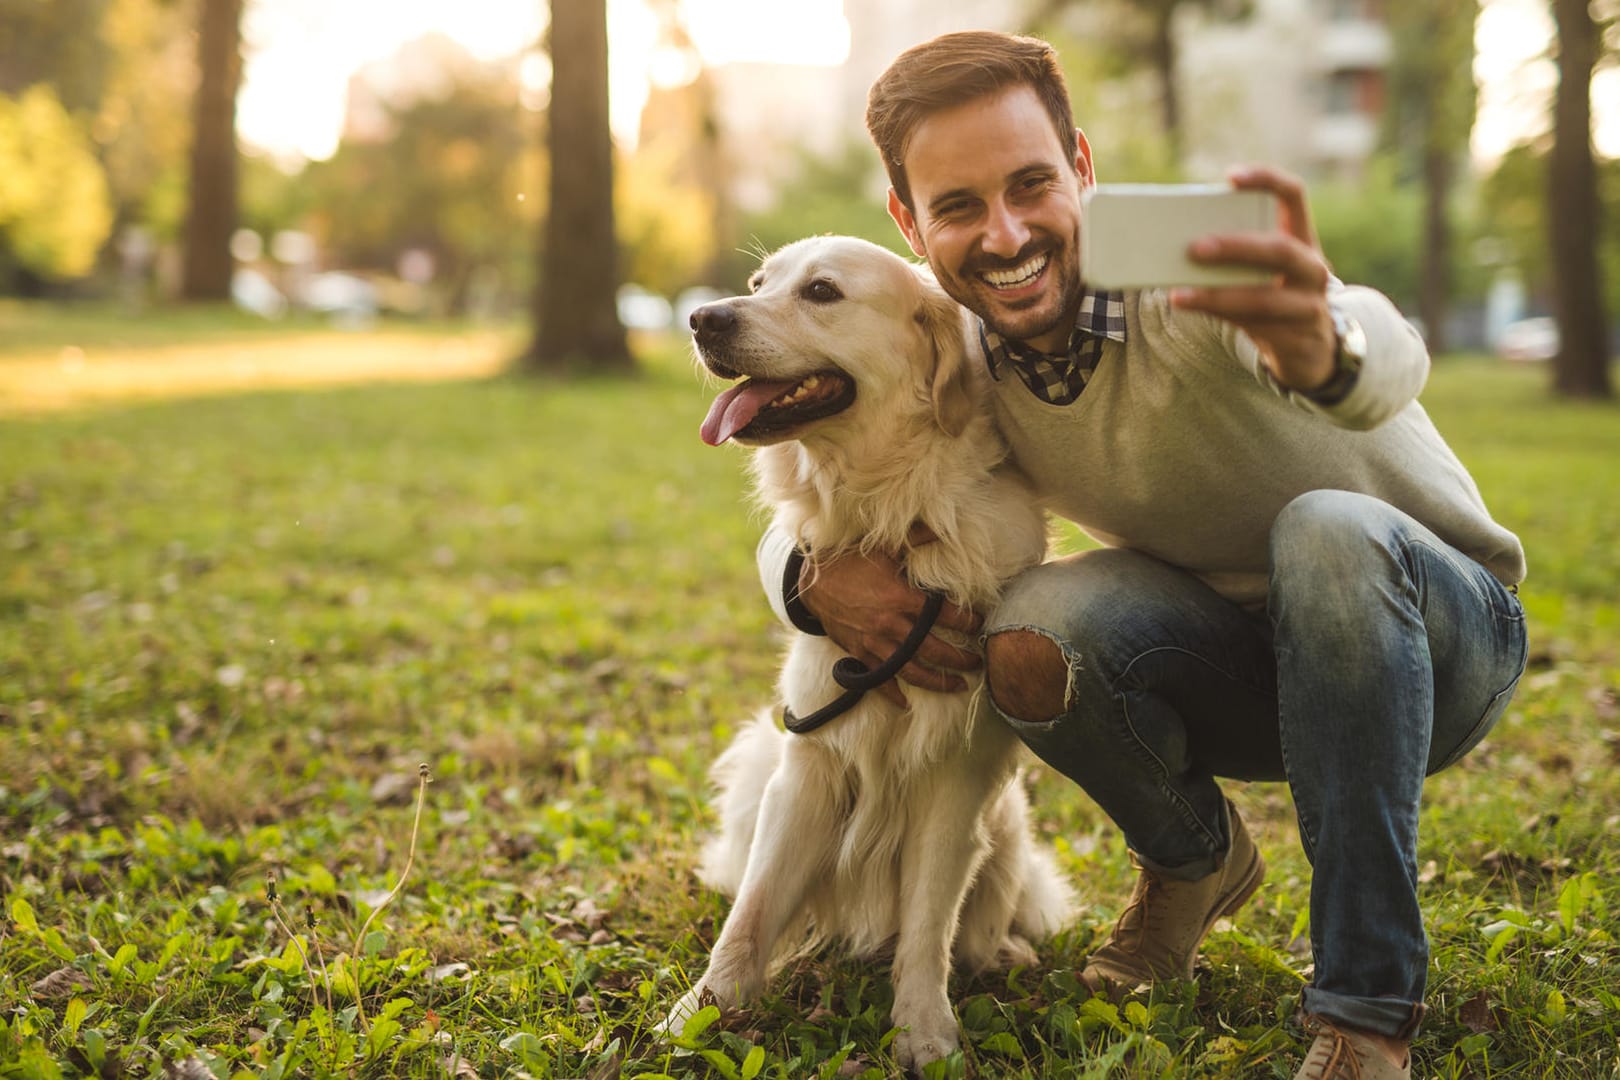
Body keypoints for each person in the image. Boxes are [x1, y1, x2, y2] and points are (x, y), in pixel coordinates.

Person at [751, 30, 1528, 1080]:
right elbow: (834, 493)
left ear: (1082, 166)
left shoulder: (1187, 274)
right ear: (911, 222)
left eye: (1032, 183)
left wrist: (1325, 349)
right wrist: (806, 582)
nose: (1007, 232)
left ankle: (1365, 1013)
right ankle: (1195, 861)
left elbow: (1380, 343)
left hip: (1433, 639)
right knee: (1035, 627)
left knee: (1327, 530)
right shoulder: (953, 351)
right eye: (961, 205)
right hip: (1232, 663)